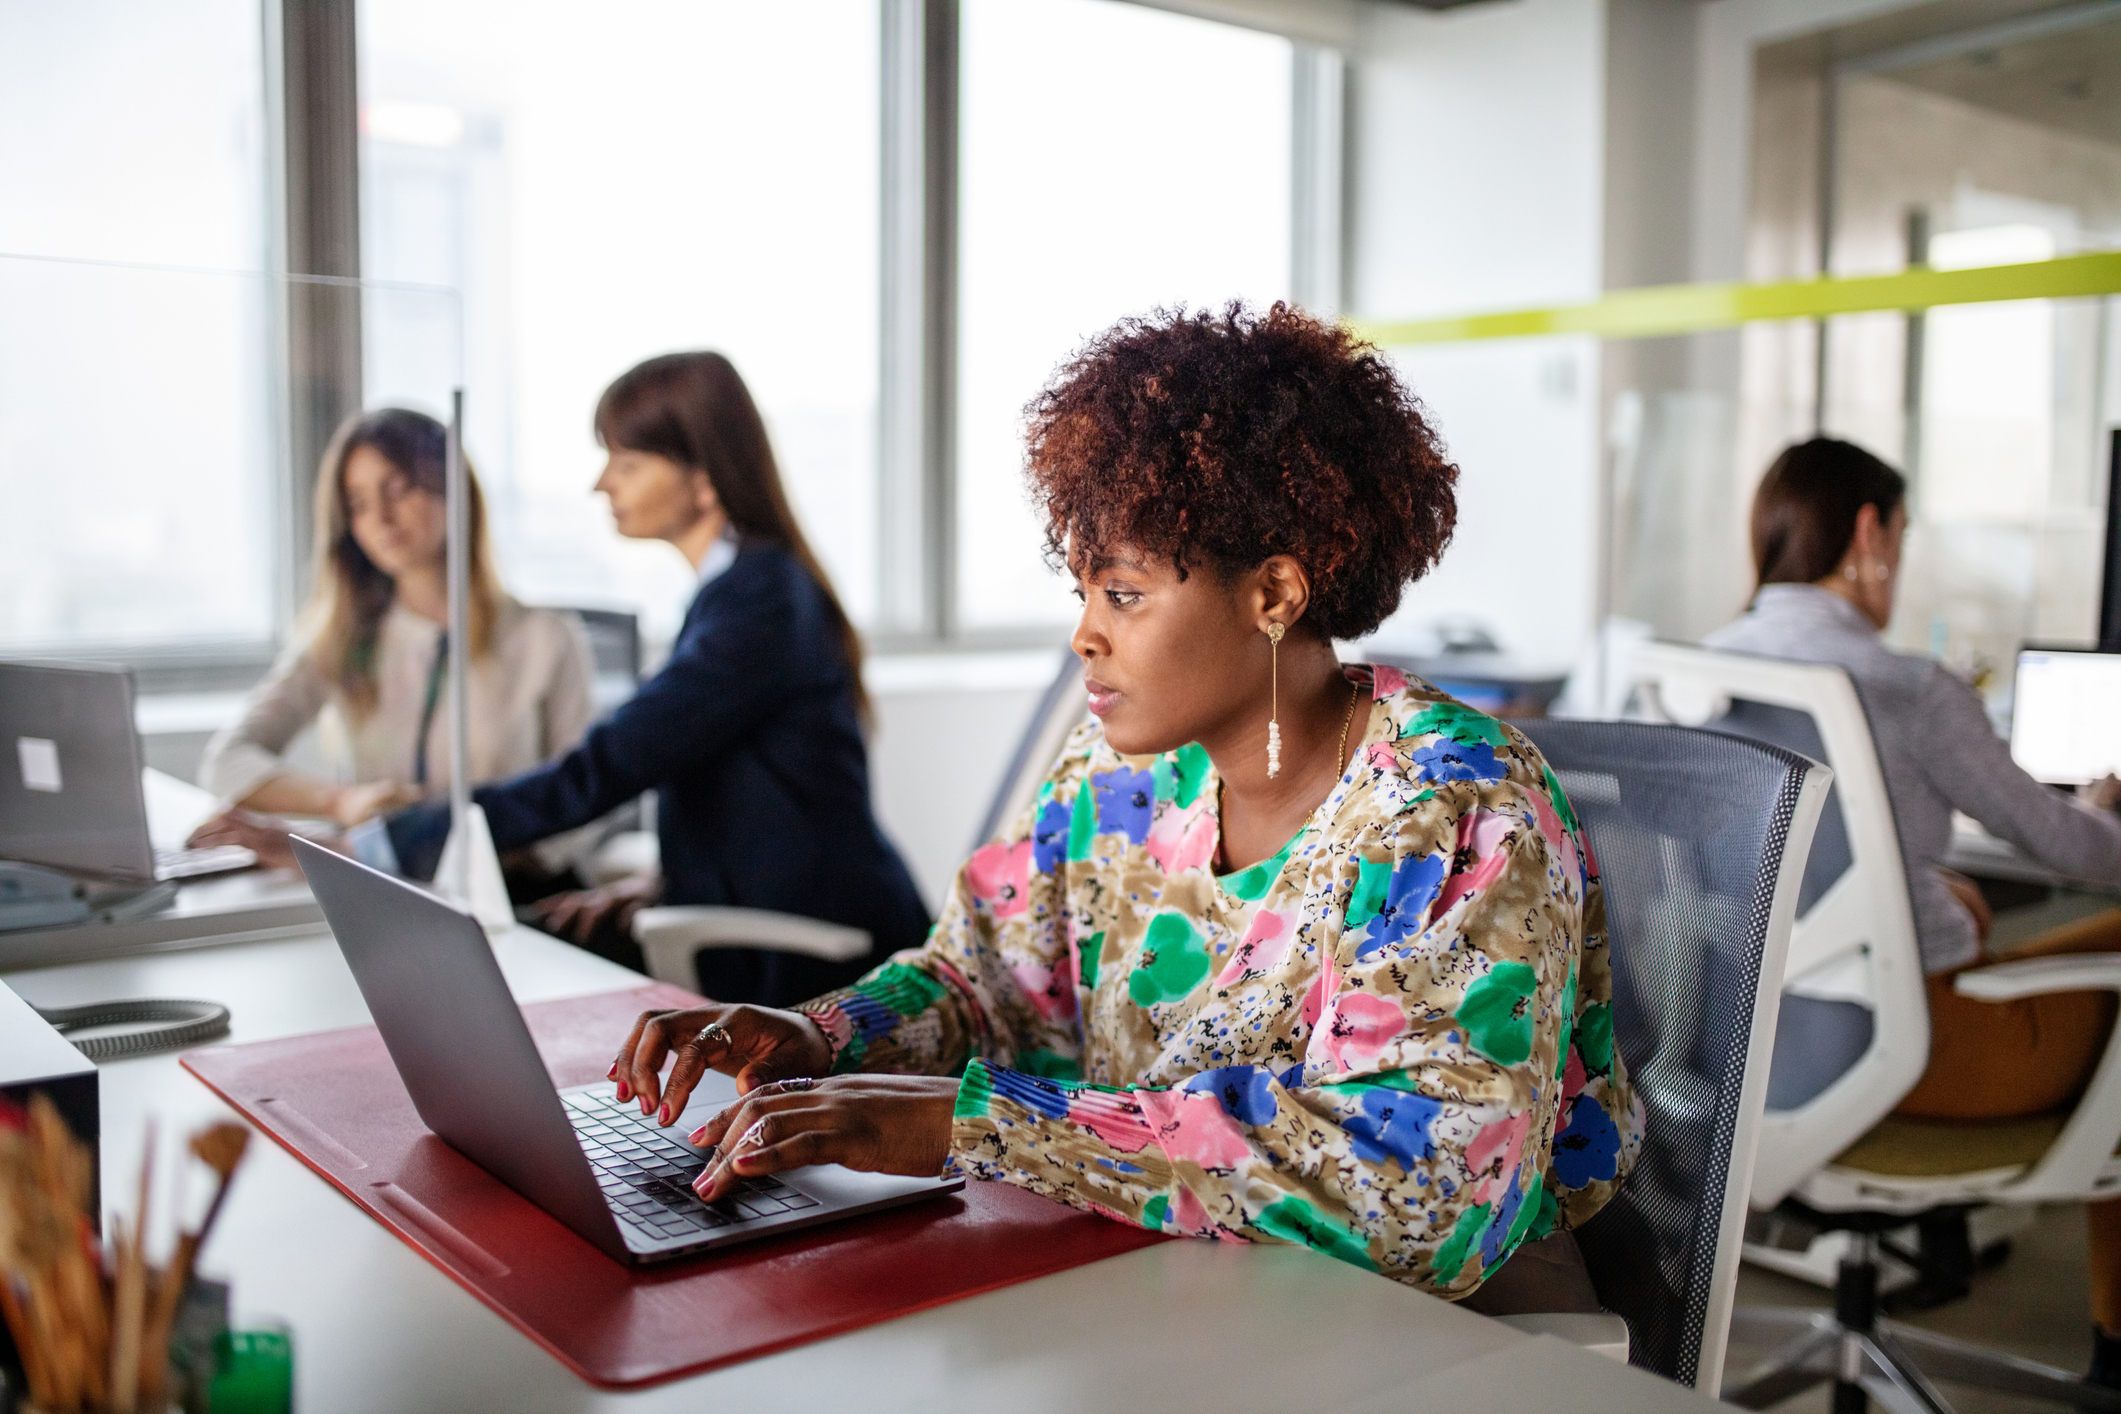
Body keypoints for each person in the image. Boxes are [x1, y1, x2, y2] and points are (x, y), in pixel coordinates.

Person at [605, 304, 1643, 1304]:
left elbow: (1419, 1192)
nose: (1085, 636)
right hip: (1181, 1294)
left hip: (1445, 1332)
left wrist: (973, 1125)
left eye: (1127, 594)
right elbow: (985, 988)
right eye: (1082, 592)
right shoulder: (1118, 779)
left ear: (1273, 595)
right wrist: (827, 1035)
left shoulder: (1455, 806)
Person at [1706, 436, 2121, 1385]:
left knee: (1974, 912)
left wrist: (1928, 892)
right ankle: (2113, 1351)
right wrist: (2099, 813)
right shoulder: (1911, 689)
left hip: (1741, 1052)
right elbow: (2066, 847)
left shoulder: (1692, 670)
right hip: (1906, 1058)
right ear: (1868, 532)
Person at [369, 352, 930, 1008]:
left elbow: (606, 766)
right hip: (760, 907)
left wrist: (391, 839)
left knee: (496, 959)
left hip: (815, 952)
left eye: (628, 464)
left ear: (705, 479)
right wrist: (666, 883)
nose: (602, 484)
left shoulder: (759, 604)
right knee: (524, 936)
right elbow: (751, 803)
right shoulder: (739, 591)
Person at [196, 408, 594, 838]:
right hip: (389, 884)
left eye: (399, 489)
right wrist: (340, 802)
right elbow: (226, 762)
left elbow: (592, 795)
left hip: (517, 887)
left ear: (452, 489)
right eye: (358, 504)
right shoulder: (344, 640)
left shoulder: (545, 638)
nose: (381, 519)